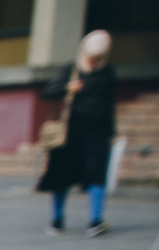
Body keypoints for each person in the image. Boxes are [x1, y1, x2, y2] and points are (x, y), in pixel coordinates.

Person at [39, 30, 117, 237]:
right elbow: (48, 92)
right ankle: (57, 220)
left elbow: (109, 104)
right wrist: (68, 88)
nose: (95, 62)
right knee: (61, 176)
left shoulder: (107, 73)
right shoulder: (71, 70)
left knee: (96, 175)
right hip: (69, 134)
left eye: (99, 58)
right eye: (92, 57)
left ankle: (95, 221)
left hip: (97, 134)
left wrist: (112, 132)